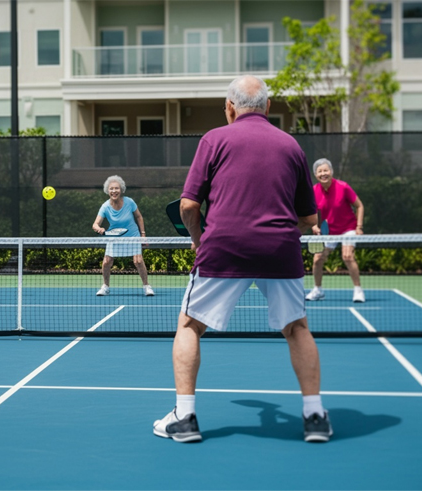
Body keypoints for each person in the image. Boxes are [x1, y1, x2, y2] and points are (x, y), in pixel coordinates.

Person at [153, 75, 332, 444]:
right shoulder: (291, 146)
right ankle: (315, 416)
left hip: (223, 247)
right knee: (297, 328)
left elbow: (188, 206)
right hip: (280, 250)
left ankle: (184, 418)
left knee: (189, 326)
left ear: (229, 107)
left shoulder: (214, 139)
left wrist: (198, 238)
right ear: (268, 107)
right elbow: (310, 219)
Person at [305, 158, 366, 303]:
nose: (323, 173)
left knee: (347, 257)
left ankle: (358, 290)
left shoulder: (343, 187)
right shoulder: (314, 191)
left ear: (331, 171)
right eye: (320, 171)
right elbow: (311, 212)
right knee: (318, 259)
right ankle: (318, 290)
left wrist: (359, 227)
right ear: (316, 175)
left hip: (348, 229)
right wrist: (314, 225)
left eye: (326, 170)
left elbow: (359, 206)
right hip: (329, 231)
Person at [91, 175, 154, 296]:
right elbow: (95, 224)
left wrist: (143, 234)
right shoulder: (105, 206)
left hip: (132, 235)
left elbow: (139, 217)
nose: (114, 191)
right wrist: (99, 228)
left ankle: (146, 286)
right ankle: (105, 287)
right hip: (114, 237)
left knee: (138, 261)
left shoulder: (129, 202)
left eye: (116, 188)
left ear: (121, 190)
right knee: (106, 262)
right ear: (107, 191)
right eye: (111, 189)